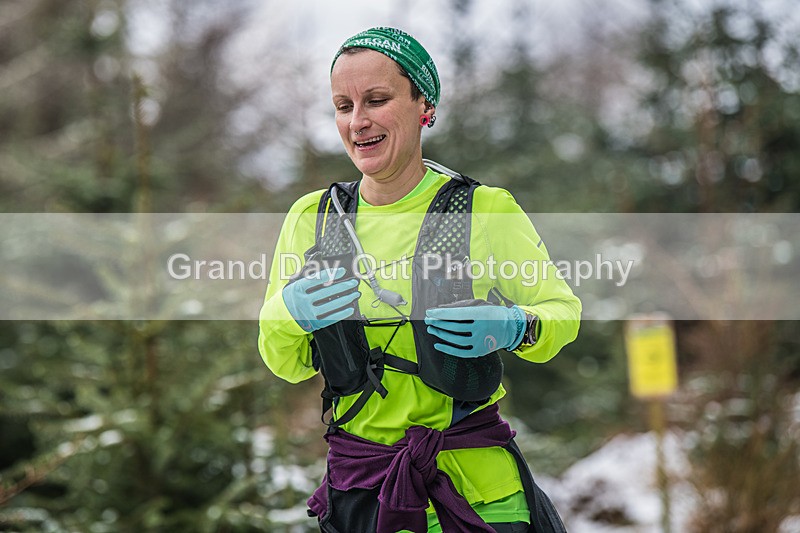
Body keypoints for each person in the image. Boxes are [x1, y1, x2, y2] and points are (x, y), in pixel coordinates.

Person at [258, 27, 581, 533]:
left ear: (423, 106)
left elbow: (562, 311)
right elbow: (285, 361)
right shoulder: (313, 218)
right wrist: (289, 313)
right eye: (343, 106)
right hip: (362, 494)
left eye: (377, 100)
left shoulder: (482, 208)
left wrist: (518, 325)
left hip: (479, 496)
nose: (358, 121)